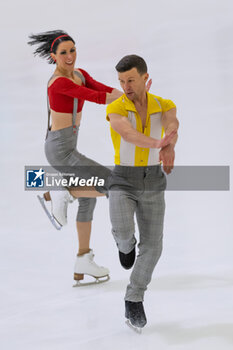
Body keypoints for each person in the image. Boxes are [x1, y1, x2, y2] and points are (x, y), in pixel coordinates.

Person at [27, 30, 123, 285]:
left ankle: (83, 258)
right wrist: (133, 99)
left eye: (72, 50)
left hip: (67, 147)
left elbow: (102, 88)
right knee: (112, 182)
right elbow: (96, 97)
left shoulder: (79, 74)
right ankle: (61, 192)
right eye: (63, 53)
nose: (69, 56)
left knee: (89, 200)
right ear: (53, 56)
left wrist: (129, 94)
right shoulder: (59, 82)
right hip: (60, 151)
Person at [106, 55, 178, 331]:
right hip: (123, 179)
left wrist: (169, 145)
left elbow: (173, 125)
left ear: (146, 79)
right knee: (123, 232)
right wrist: (158, 143)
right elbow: (127, 135)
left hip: (153, 181)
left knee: (154, 246)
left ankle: (134, 297)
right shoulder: (116, 108)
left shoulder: (164, 104)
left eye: (131, 80)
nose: (126, 86)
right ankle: (125, 246)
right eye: (122, 81)